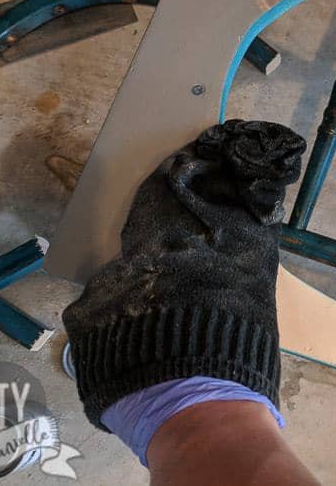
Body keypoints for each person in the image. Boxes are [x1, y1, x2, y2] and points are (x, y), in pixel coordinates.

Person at [62, 120, 320, 485]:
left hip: (182, 355)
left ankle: (153, 375)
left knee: (218, 250)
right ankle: (117, 362)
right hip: (133, 413)